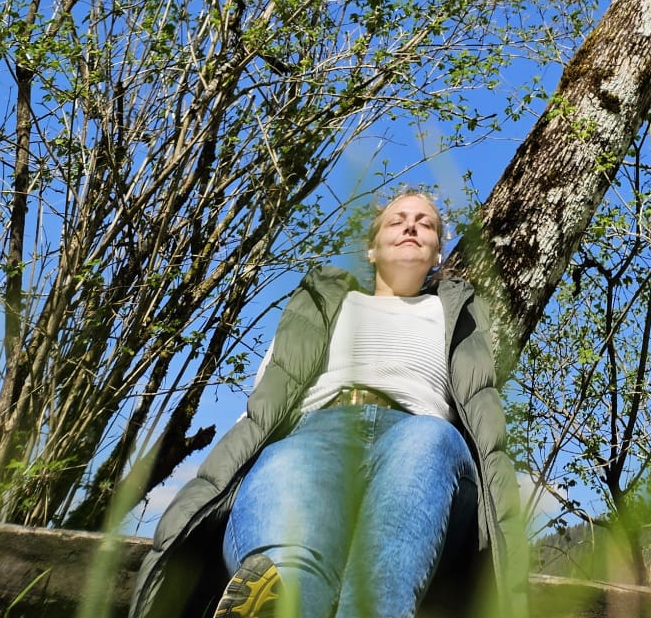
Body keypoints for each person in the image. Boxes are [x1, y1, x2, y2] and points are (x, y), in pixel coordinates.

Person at [128, 190, 523, 618]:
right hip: (312, 435)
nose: (411, 226)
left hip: (420, 445)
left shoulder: (456, 316)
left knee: (426, 448)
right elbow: (269, 396)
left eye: (425, 223)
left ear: (438, 254)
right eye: (397, 221)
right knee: (292, 568)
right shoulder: (325, 302)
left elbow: (480, 420)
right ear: (371, 249)